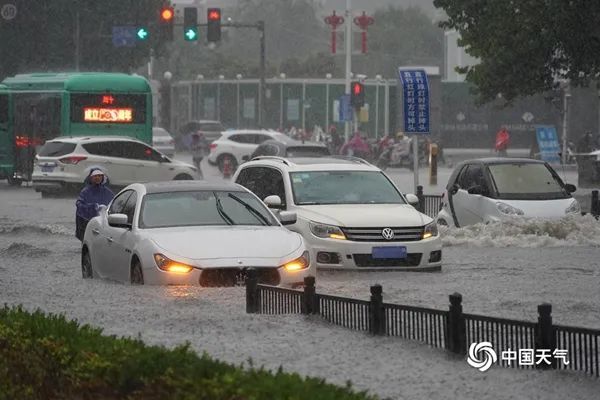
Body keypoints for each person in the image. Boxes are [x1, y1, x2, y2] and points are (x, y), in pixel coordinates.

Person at [75, 168, 114, 242]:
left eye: (99, 176)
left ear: (103, 178)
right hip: (87, 222)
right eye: (95, 176)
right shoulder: (85, 191)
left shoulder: (107, 192)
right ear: (91, 178)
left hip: (103, 222)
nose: (97, 178)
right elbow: (79, 205)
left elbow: (114, 203)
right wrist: (94, 207)